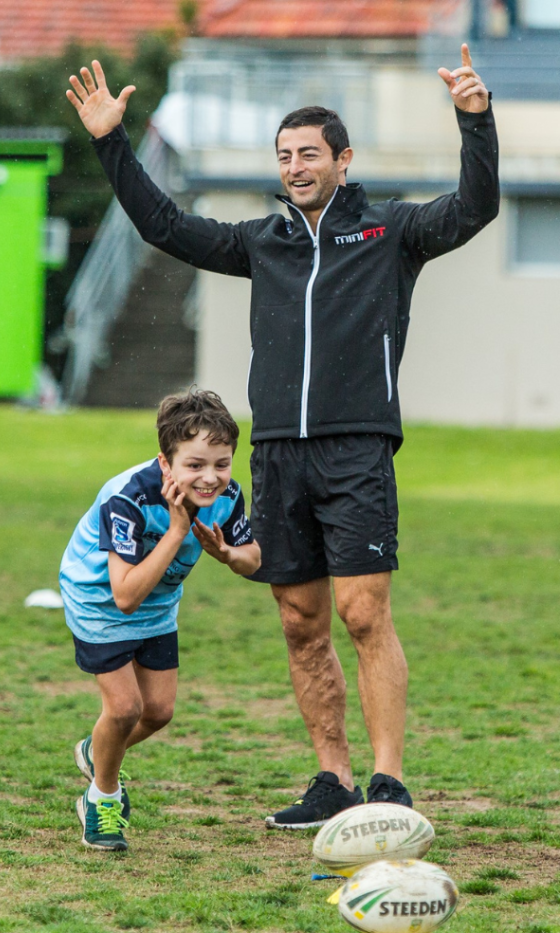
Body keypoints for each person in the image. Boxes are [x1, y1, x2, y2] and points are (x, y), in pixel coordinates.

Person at [65, 45, 499, 827]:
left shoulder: (390, 231)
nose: (296, 165)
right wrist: (110, 142)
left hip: (358, 447)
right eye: (285, 155)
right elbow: (165, 225)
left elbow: (474, 210)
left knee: (363, 614)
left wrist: (476, 122)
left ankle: (388, 783)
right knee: (301, 622)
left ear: (343, 159)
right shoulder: (262, 241)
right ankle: (331, 779)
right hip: (279, 456)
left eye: (309, 153)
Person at [59, 389, 261, 850]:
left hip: (160, 603)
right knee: (125, 709)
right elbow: (125, 596)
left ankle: (98, 753)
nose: (210, 478)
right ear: (166, 463)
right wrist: (176, 532)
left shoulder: (227, 495)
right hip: (100, 603)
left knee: (158, 712)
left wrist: (228, 553)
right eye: (195, 465)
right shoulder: (127, 497)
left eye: (222, 463)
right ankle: (102, 798)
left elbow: (253, 560)